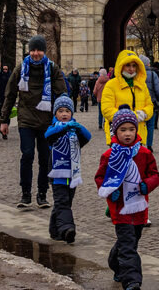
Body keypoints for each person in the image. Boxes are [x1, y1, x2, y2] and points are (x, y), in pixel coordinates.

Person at [97, 106, 159, 290]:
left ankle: (115, 263)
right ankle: (132, 281)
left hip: (139, 208)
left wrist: (147, 184)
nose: (127, 134)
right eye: (123, 130)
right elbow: (100, 178)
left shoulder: (144, 153)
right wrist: (110, 191)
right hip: (120, 209)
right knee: (128, 246)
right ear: (115, 131)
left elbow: (155, 175)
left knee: (130, 242)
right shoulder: (109, 155)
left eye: (131, 129)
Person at [2, 35, 68, 208]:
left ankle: (42, 194)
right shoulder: (20, 69)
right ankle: (25, 194)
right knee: (28, 154)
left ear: (44, 51)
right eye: (33, 50)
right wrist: (4, 120)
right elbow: (9, 95)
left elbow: (62, 94)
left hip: (46, 120)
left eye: (39, 50)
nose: (36, 53)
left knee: (45, 157)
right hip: (26, 119)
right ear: (29, 51)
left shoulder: (53, 69)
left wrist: (64, 118)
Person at [45, 96, 91, 243]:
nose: (64, 114)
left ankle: (54, 230)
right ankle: (67, 229)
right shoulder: (53, 129)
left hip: (73, 173)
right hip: (57, 173)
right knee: (62, 202)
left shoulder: (75, 131)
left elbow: (87, 137)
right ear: (55, 114)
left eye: (67, 111)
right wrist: (62, 128)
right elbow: (48, 136)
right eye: (60, 111)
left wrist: (77, 127)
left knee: (65, 203)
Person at [101, 51, 153, 146]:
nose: (131, 69)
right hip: (119, 135)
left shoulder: (142, 85)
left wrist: (144, 114)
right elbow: (107, 110)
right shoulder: (111, 85)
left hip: (138, 135)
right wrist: (131, 116)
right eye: (128, 65)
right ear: (121, 66)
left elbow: (149, 105)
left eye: (134, 66)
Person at [143, 58, 159, 151]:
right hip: (151, 103)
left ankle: (139, 144)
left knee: (140, 125)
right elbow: (158, 89)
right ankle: (149, 145)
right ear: (148, 64)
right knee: (150, 126)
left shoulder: (136, 75)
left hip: (139, 104)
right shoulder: (152, 74)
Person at [93, 68, 110, 133]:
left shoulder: (98, 81)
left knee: (100, 113)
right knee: (106, 112)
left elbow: (94, 91)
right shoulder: (109, 81)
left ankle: (100, 125)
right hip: (107, 99)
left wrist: (97, 95)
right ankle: (105, 124)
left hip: (100, 99)